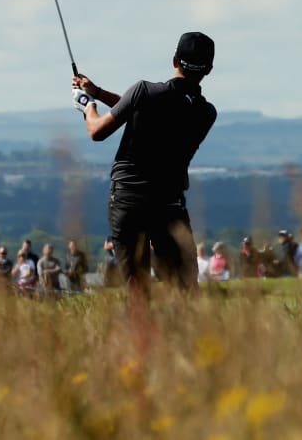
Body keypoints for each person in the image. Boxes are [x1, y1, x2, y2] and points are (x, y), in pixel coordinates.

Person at [71, 32, 217, 298]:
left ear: (174, 59)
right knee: (184, 289)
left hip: (128, 199)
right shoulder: (206, 113)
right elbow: (144, 111)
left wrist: (86, 104)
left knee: (137, 291)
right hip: (170, 203)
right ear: (208, 70)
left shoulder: (143, 91)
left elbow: (97, 131)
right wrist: (99, 92)